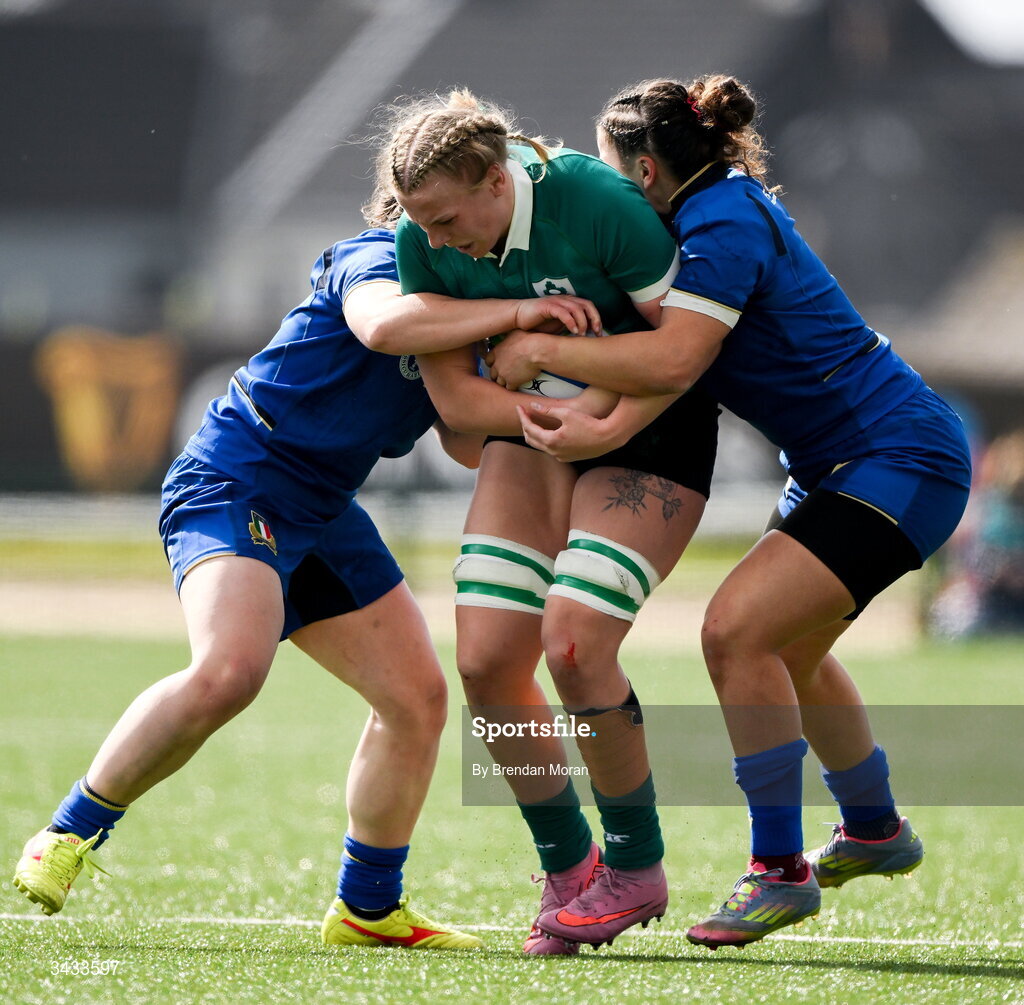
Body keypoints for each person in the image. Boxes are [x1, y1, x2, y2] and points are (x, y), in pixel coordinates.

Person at [491, 75, 973, 949]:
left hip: (897, 455)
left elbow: (675, 358)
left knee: (734, 633)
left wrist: (538, 347)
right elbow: (673, 369)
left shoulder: (722, 219)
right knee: (787, 648)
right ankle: (872, 825)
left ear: (643, 170)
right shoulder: (700, 216)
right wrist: (594, 406)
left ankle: (778, 872)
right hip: (844, 463)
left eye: (609, 173)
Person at [12, 223, 492, 950]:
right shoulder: (375, 256)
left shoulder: (473, 296)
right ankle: (67, 833)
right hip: (238, 478)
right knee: (230, 670)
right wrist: (517, 316)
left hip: (323, 505)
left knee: (416, 699)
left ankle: (367, 905)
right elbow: (384, 322)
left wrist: (531, 372)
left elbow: (464, 439)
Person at [365, 88, 721, 953]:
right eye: (422, 224)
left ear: (496, 179)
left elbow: (679, 348)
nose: (437, 241)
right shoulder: (424, 238)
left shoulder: (598, 203)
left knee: (573, 643)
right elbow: (455, 396)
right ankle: (569, 867)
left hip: (650, 422)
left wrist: (575, 388)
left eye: (449, 219)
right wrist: (542, 412)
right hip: (529, 431)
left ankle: (635, 866)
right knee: (488, 662)